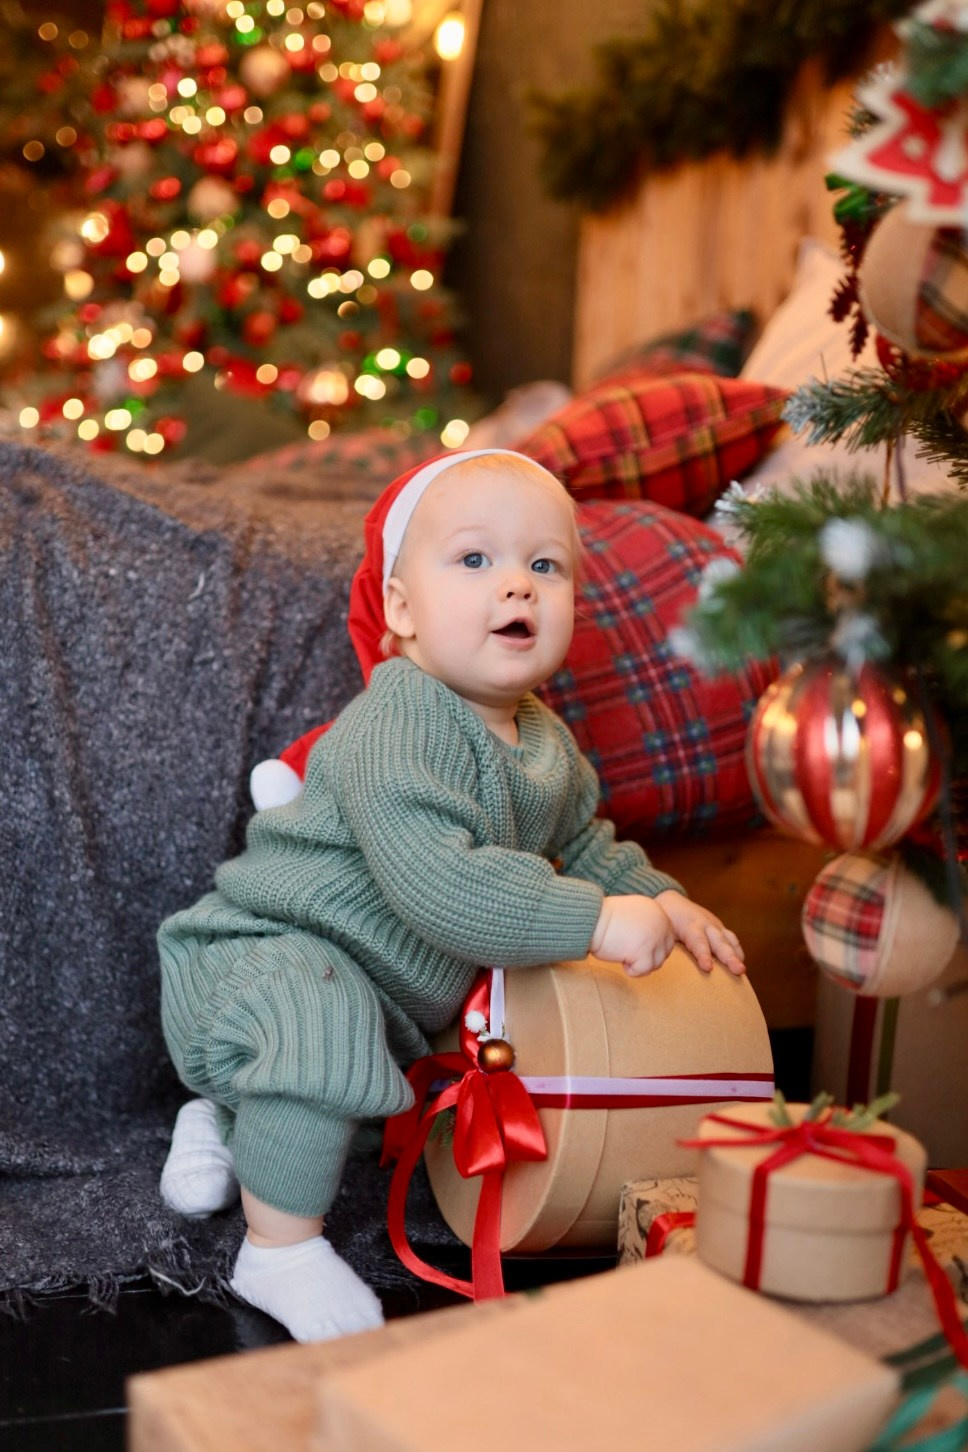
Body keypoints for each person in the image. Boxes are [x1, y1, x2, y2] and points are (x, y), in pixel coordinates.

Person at [157, 447, 745, 1343]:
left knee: (369, 1089)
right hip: (253, 962)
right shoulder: (401, 712)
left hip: (363, 1001)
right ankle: (277, 1247)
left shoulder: (548, 745)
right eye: (475, 561)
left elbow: (587, 846)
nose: (516, 587)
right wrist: (594, 922)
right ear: (402, 609)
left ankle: (225, 1116)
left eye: (544, 566)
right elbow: (440, 887)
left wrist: (665, 901)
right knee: (322, 1034)